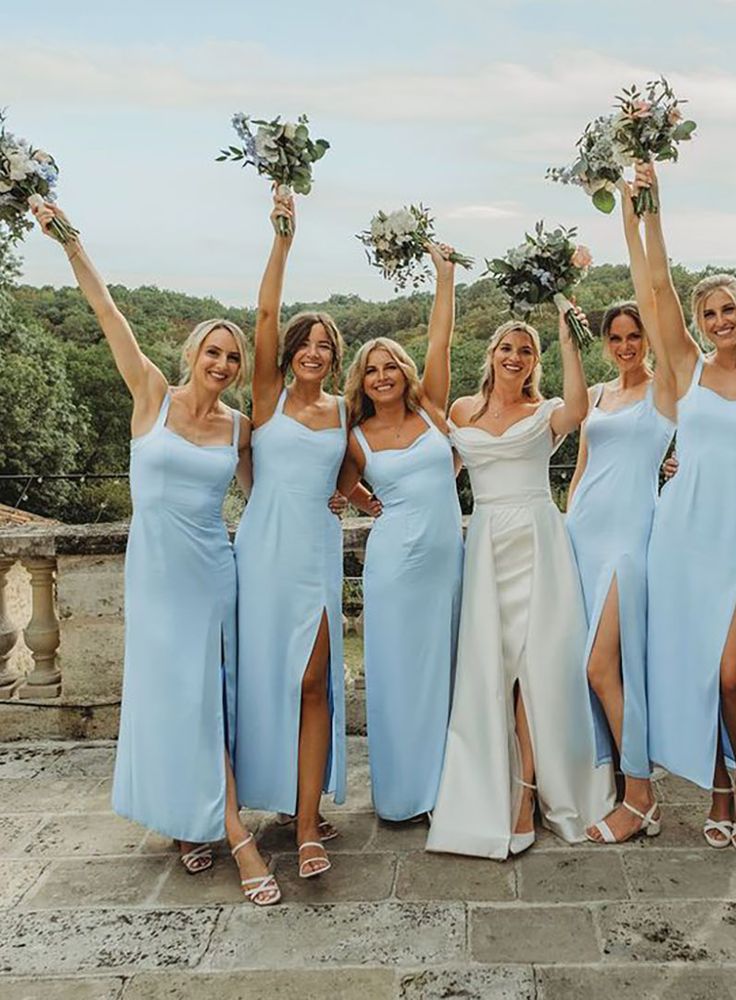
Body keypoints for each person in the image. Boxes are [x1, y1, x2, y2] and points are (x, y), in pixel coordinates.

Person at [31, 199, 278, 905]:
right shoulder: (151, 397)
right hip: (155, 572)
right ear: (191, 355)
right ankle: (190, 820)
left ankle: (228, 827)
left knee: (208, 698)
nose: (224, 364)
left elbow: (267, 498)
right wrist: (71, 243)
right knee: (169, 696)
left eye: (232, 357)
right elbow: (109, 312)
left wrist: (346, 499)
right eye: (214, 353)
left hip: (212, 572)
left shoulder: (240, 430)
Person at [426, 309, 615, 859]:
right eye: (507, 348)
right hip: (486, 541)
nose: (515, 357)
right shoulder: (463, 410)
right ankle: (494, 783)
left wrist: (567, 339)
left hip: (537, 536)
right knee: (494, 667)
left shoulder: (547, 410)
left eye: (527, 351)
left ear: (536, 363)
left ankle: (528, 791)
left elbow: (579, 410)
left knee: (538, 668)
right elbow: (436, 462)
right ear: (492, 354)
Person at [641, 161, 736, 851]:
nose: (720, 321)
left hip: (734, 536)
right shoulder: (687, 367)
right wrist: (649, 198)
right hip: (680, 532)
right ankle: (718, 787)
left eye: (728, 310)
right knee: (697, 670)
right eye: (709, 314)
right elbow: (657, 283)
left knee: (733, 677)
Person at [233, 192, 347, 879]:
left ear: (335, 358)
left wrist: (366, 498)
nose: (311, 352)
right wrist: (283, 239)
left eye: (324, 346)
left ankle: (306, 823)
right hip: (262, 554)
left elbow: (389, 465)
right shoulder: (267, 399)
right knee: (262, 681)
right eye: (303, 345)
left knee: (313, 683)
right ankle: (270, 803)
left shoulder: (343, 414)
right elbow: (266, 316)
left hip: (317, 556)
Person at [565, 178, 676, 844]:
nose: (628, 343)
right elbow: (579, 472)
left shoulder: (664, 391)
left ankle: (641, 796)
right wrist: (565, 521)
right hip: (582, 531)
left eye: (636, 334)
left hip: (631, 536)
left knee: (602, 664)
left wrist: (637, 217)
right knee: (586, 667)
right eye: (618, 336)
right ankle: (614, 781)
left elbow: (659, 293)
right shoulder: (601, 395)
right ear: (607, 343)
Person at [336, 242, 463, 822]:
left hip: (447, 562)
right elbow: (343, 489)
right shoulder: (356, 436)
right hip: (393, 566)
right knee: (398, 674)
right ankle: (402, 795)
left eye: (391, 366)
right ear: (361, 381)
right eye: (372, 369)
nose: (383, 376)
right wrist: (373, 504)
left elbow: (441, 340)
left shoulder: (433, 410)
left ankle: (447, 789)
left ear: (403, 373)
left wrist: (445, 277)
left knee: (448, 670)